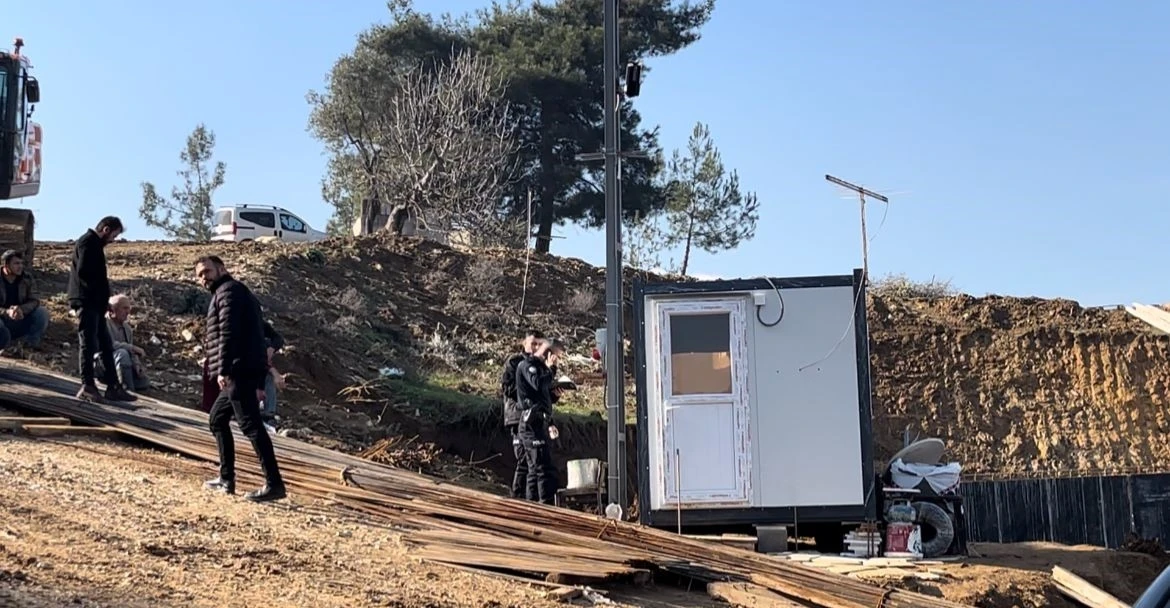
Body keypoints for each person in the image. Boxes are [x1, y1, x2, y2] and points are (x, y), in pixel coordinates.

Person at [196, 255, 286, 502]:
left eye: (207, 271)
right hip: (242, 368)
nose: (204, 278)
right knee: (217, 419)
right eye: (200, 275)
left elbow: (229, 333)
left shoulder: (229, 292)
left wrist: (223, 370)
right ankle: (226, 479)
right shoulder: (231, 292)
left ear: (221, 269)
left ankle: (274, 484)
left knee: (251, 425)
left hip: (239, 370)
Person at [66, 216, 135, 402]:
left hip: (95, 303)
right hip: (87, 302)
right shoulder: (87, 243)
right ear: (106, 229)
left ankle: (113, 387)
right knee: (88, 344)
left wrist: (104, 300)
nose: (113, 240)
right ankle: (87, 385)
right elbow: (85, 273)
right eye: (113, 235)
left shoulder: (94, 245)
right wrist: (98, 296)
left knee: (105, 344)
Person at [516, 337, 565, 504]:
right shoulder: (528, 366)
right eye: (556, 357)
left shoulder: (542, 369)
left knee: (538, 468)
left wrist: (554, 395)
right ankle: (542, 504)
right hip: (531, 423)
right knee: (540, 468)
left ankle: (535, 504)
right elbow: (537, 384)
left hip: (541, 422)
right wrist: (551, 369)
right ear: (549, 354)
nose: (556, 361)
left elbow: (542, 397)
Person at [500, 328, 544, 499]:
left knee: (535, 461)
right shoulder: (515, 362)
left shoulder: (541, 367)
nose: (535, 348)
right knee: (525, 459)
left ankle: (530, 499)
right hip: (518, 416)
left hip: (535, 418)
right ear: (524, 343)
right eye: (533, 344)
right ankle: (518, 498)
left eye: (539, 344)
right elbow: (507, 388)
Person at [0, 250, 49, 352]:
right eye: (16, 263)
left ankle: (30, 344)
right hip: (2, 319)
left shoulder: (27, 278)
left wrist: (21, 309)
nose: (20, 266)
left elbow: (34, 300)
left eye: (21, 263)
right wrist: (7, 312)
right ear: (6, 265)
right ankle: (5, 346)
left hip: (20, 317)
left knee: (41, 312)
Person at [102, 294, 151, 393]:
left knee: (144, 381)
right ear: (113, 309)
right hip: (103, 361)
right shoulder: (103, 323)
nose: (128, 312)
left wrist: (137, 365)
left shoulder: (127, 329)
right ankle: (126, 389)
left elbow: (132, 353)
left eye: (128, 309)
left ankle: (124, 382)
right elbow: (108, 345)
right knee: (122, 354)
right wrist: (131, 347)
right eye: (124, 308)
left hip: (121, 364)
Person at [260, 320, 286, 434]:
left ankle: (268, 415)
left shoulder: (259, 323)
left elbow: (278, 339)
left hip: (260, 365)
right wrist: (273, 371)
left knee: (269, 378)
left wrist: (271, 347)